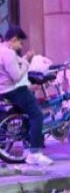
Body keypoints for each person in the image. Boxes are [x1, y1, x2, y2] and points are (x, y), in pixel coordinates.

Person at [0, 26, 53, 167]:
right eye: (20, 43)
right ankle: (35, 153)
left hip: (3, 91)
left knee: (28, 114)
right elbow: (17, 76)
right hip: (13, 90)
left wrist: (22, 60)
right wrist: (27, 61)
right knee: (37, 115)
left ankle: (30, 145)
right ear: (13, 39)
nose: (20, 46)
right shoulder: (8, 53)